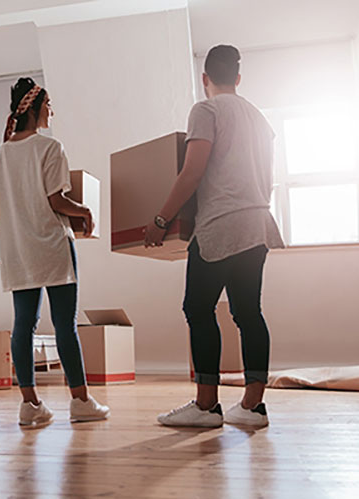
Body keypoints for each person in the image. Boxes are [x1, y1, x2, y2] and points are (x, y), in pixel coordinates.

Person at [145, 45, 285, 429]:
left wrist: (161, 219)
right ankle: (253, 406)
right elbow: (268, 179)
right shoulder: (259, 119)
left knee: (197, 308)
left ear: (205, 79)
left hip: (221, 225)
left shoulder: (205, 110)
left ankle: (206, 406)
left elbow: (192, 172)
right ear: (238, 79)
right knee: (247, 312)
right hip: (257, 224)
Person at [0, 77, 110, 427]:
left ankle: (30, 405)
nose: (52, 110)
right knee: (64, 325)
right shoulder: (49, 148)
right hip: (53, 247)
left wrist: (20, 229)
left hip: (18, 253)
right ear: (38, 107)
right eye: (49, 103)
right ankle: (81, 401)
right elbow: (56, 200)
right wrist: (85, 212)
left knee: (23, 325)